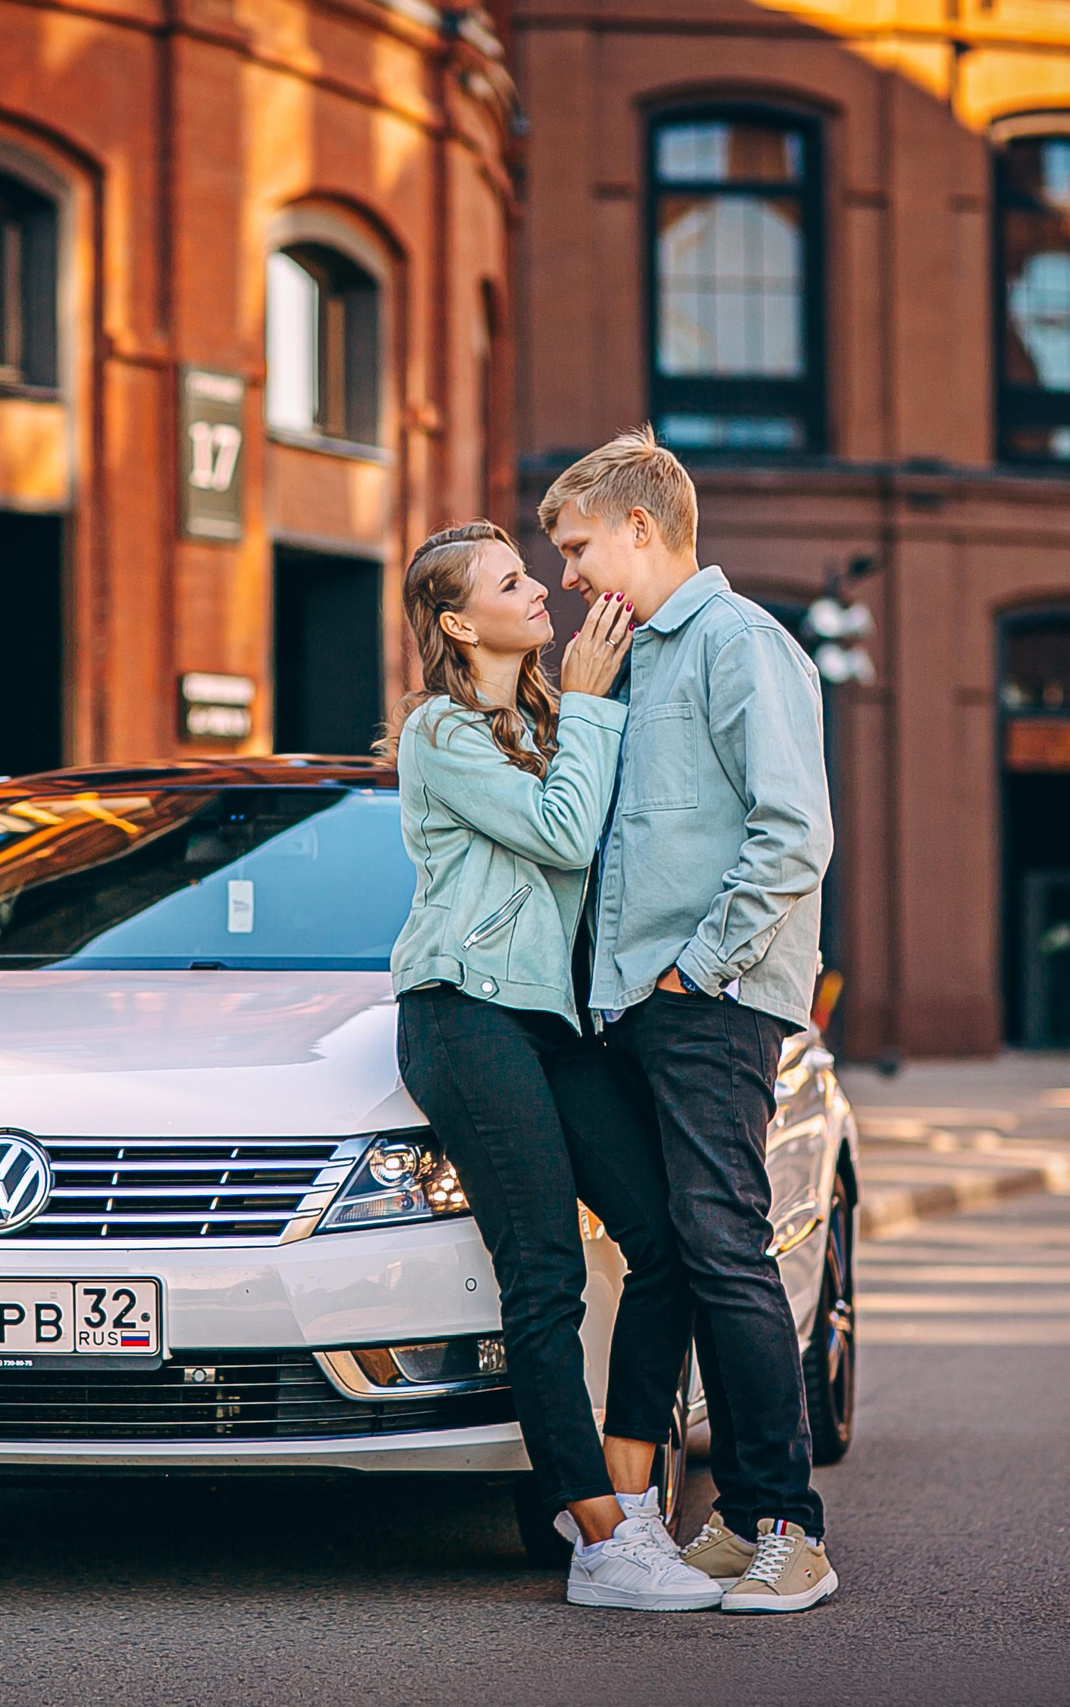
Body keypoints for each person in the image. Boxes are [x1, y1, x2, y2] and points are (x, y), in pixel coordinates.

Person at [383, 520, 720, 1612]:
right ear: (453, 622)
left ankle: (629, 1497)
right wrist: (586, 702)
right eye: (511, 581)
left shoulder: (543, 719)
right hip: (463, 1016)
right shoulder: (439, 731)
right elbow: (566, 832)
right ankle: (594, 1540)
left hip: (555, 1023)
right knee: (545, 1277)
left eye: (533, 574)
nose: (542, 590)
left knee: (662, 1242)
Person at [539, 427, 839, 1614]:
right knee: (677, 1252)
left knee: (723, 1246)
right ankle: (729, 1519)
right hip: (634, 1011)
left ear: (639, 532)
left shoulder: (737, 645)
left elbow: (791, 836)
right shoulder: (628, 662)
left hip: (708, 1004)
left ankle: (790, 1530)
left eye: (573, 547)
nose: (563, 575)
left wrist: (690, 973)